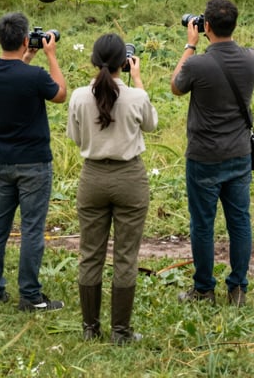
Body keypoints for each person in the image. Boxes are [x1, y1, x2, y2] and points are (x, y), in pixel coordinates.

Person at [67, 34, 158, 344]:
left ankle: (90, 328)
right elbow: (151, 124)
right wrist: (138, 79)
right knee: (125, 256)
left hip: (92, 178)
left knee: (89, 254)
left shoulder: (79, 96)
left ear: (94, 61)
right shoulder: (136, 96)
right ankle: (121, 331)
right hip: (129, 178)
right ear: (124, 61)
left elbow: (76, 138)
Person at [170, 0, 254, 307]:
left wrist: (190, 44)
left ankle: (204, 288)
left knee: (203, 225)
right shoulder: (251, 58)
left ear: (205, 26)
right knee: (239, 222)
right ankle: (238, 289)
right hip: (238, 155)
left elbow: (176, 86)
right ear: (234, 25)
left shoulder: (197, 63)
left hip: (204, 156)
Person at [0, 12, 67, 311]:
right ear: (24, 37)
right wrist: (51, 56)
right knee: (31, 229)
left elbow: (13, 75)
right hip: (34, 163)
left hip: (1, 162)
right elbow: (59, 94)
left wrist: (26, 55)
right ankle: (29, 295)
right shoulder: (36, 76)